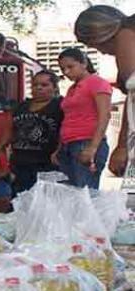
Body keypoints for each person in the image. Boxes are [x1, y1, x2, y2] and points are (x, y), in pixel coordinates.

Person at [75, 5, 135, 177]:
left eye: (93, 44)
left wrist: (123, 146)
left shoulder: (125, 34)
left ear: (100, 34)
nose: (100, 51)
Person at [54, 48, 112, 189]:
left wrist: (92, 148)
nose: (66, 72)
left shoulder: (97, 83)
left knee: (85, 196)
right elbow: (68, 118)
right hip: (68, 145)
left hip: (85, 143)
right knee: (71, 196)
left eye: (70, 67)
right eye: (62, 69)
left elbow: (105, 116)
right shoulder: (72, 89)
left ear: (84, 64)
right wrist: (59, 148)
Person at [10, 71, 63, 194]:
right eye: (35, 85)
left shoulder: (60, 105)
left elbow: (66, 130)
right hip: (20, 162)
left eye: (44, 85)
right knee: (21, 200)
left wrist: (59, 150)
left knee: (44, 201)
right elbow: (10, 129)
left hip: (46, 163)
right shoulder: (21, 106)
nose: (38, 88)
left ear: (54, 88)